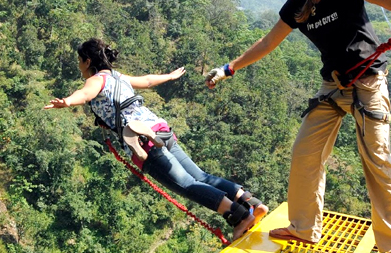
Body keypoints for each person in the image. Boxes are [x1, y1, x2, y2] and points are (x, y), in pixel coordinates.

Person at [204, 0, 391, 253]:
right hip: (333, 86)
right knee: (305, 153)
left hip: (368, 83)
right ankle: (304, 227)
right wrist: (230, 68)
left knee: (377, 158)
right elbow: (268, 42)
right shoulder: (297, 7)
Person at [44, 37, 269, 240]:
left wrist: (67, 101)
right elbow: (148, 81)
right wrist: (170, 76)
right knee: (201, 176)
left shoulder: (95, 80)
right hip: (159, 129)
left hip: (143, 140)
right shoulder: (117, 76)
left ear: (87, 61)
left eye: (79, 61)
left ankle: (240, 217)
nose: (79, 66)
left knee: (188, 185)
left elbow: (84, 95)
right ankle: (252, 204)